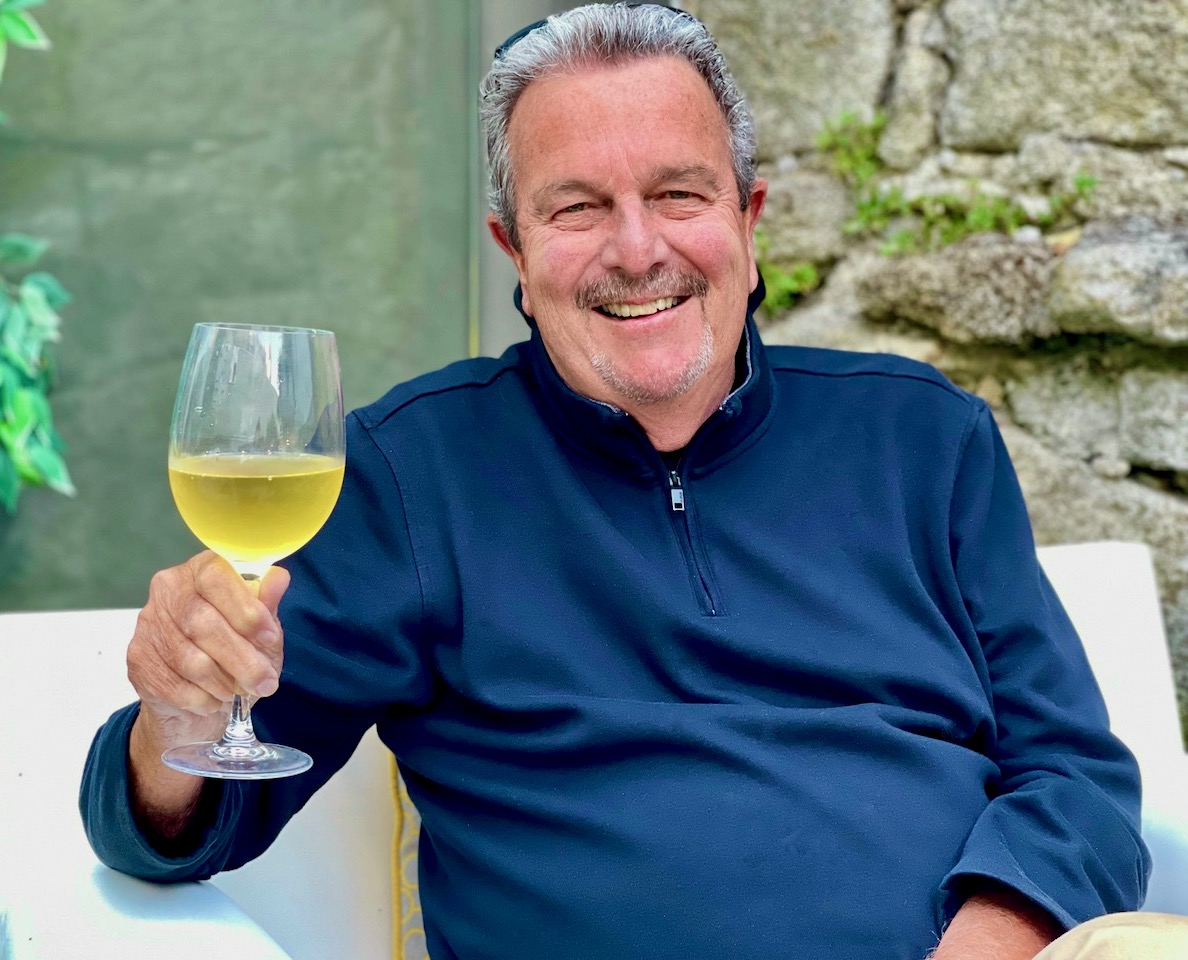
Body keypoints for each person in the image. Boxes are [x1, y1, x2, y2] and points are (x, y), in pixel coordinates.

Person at [80, 5, 1185, 958]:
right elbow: (181, 822)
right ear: (515, 251)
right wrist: (177, 716)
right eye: (577, 208)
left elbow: (1076, 778)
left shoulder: (925, 438)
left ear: (748, 220)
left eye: (679, 193)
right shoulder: (411, 475)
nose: (637, 249)